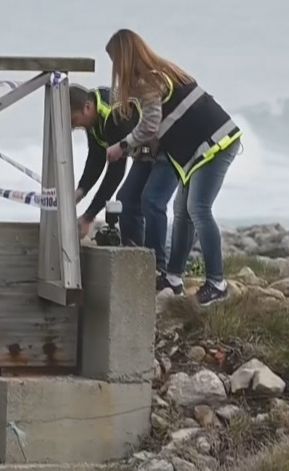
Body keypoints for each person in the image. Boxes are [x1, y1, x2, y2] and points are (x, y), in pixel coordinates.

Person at [102, 28, 242, 306]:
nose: (116, 69)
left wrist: (122, 145)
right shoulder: (164, 71)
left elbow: (151, 124)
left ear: (125, 57)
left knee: (197, 209)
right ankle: (173, 278)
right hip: (202, 147)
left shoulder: (147, 82)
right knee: (182, 210)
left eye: (115, 61)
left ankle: (217, 282)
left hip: (216, 144)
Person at [69, 83, 149, 244]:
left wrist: (88, 217)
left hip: (157, 149)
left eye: (75, 121)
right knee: (127, 199)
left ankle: (147, 258)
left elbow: (115, 173)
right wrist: (81, 190)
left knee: (142, 201)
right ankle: (133, 249)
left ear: (87, 107)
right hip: (142, 152)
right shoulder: (93, 115)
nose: (75, 127)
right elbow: (96, 157)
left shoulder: (114, 116)